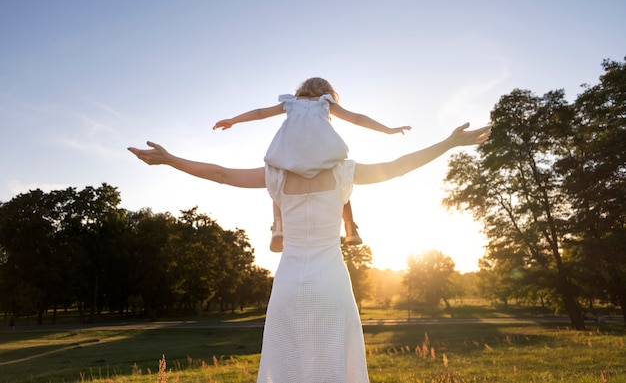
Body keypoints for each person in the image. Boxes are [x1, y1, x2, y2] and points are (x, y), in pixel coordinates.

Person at [128, 122, 491, 383]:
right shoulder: (344, 174)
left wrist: (171, 159)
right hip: (331, 280)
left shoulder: (276, 176)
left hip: (289, 281)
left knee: (291, 365)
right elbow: (398, 167)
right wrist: (447, 143)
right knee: (333, 362)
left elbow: (222, 174)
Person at [213, 77, 412, 252]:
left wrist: (234, 120)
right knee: (341, 176)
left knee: (277, 176)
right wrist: (388, 130)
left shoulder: (290, 103)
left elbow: (259, 113)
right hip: (323, 150)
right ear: (327, 91)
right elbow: (357, 118)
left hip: (290, 151)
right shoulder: (326, 103)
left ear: (302, 90)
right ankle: (350, 227)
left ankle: (278, 227)